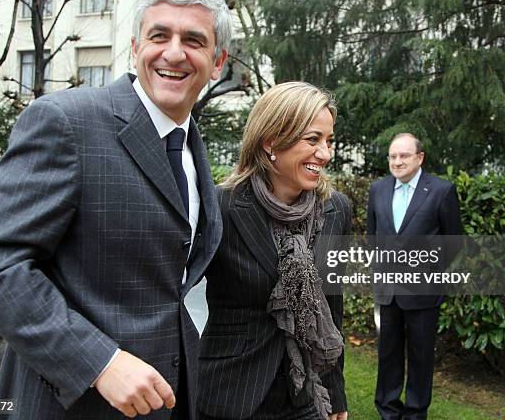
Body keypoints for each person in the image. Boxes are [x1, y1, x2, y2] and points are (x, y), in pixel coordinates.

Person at [0, 0, 231, 420]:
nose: (174, 52)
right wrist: (99, 361)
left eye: (194, 40)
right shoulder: (66, 123)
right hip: (66, 404)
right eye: (159, 35)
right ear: (134, 46)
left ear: (217, 61)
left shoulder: (191, 149)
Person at [197, 82, 350, 420]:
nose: (325, 154)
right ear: (271, 141)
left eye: (329, 141)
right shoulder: (221, 206)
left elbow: (331, 306)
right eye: (312, 139)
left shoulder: (336, 209)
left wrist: (336, 393)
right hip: (230, 395)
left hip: (305, 397)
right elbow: (170, 292)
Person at [366, 133, 463, 420]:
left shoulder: (442, 191)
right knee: (388, 354)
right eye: (393, 156)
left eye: (404, 155)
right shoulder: (378, 189)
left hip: (423, 293)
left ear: (419, 157)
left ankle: (415, 412)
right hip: (388, 290)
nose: (397, 161)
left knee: (421, 357)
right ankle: (388, 409)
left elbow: (455, 242)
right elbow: (373, 237)